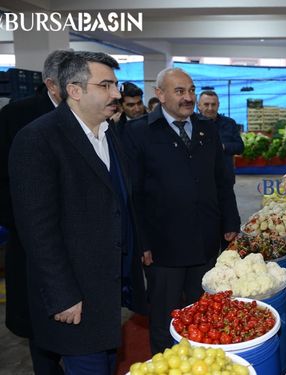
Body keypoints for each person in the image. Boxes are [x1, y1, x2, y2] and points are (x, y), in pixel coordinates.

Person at [8, 51, 146, 374]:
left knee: (107, 363)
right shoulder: (38, 139)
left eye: (116, 85)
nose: (117, 94)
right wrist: (62, 295)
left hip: (107, 293)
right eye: (106, 85)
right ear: (75, 90)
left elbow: (121, 201)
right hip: (75, 298)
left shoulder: (110, 134)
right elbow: (38, 230)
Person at [124, 68, 241, 354]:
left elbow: (222, 180)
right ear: (160, 94)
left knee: (202, 311)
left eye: (191, 90)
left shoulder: (207, 129)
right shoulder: (138, 132)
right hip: (163, 247)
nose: (188, 97)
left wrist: (230, 220)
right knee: (165, 317)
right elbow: (132, 194)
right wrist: (143, 242)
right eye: (179, 91)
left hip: (205, 239)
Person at [0, 49, 71, 375]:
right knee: (40, 321)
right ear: (52, 84)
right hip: (32, 242)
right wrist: (24, 223)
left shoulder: (86, 115)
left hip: (77, 240)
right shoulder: (17, 116)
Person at [197, 90, 244, 183]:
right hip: (200, 179)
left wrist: (223, 146)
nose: (210, 108)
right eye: (206, 104)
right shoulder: (192, 124)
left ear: (218, 105)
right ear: (199, 106)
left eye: (213, 104)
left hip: (225, 178)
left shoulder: (229, 123)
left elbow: (240, 147)